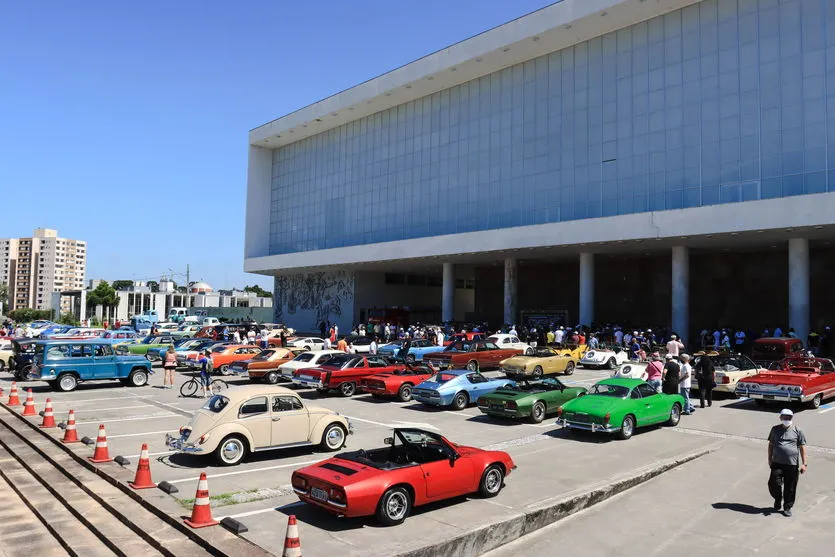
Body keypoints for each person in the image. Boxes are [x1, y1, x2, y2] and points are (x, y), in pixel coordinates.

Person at [767, 409, 807, 517]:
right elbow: (770, 444)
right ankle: (778, 499)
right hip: (777, 463)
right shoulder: (775, 429)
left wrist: (804, 464)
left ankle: (787, 507)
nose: (787, 419)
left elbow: (802, 447)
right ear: (780, 418)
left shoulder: (798, 430)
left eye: (789, 417)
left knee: (790, 487)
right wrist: (769, 459)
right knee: (773, 484)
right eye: (784, 417)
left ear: (792, 418)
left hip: (792, 465)